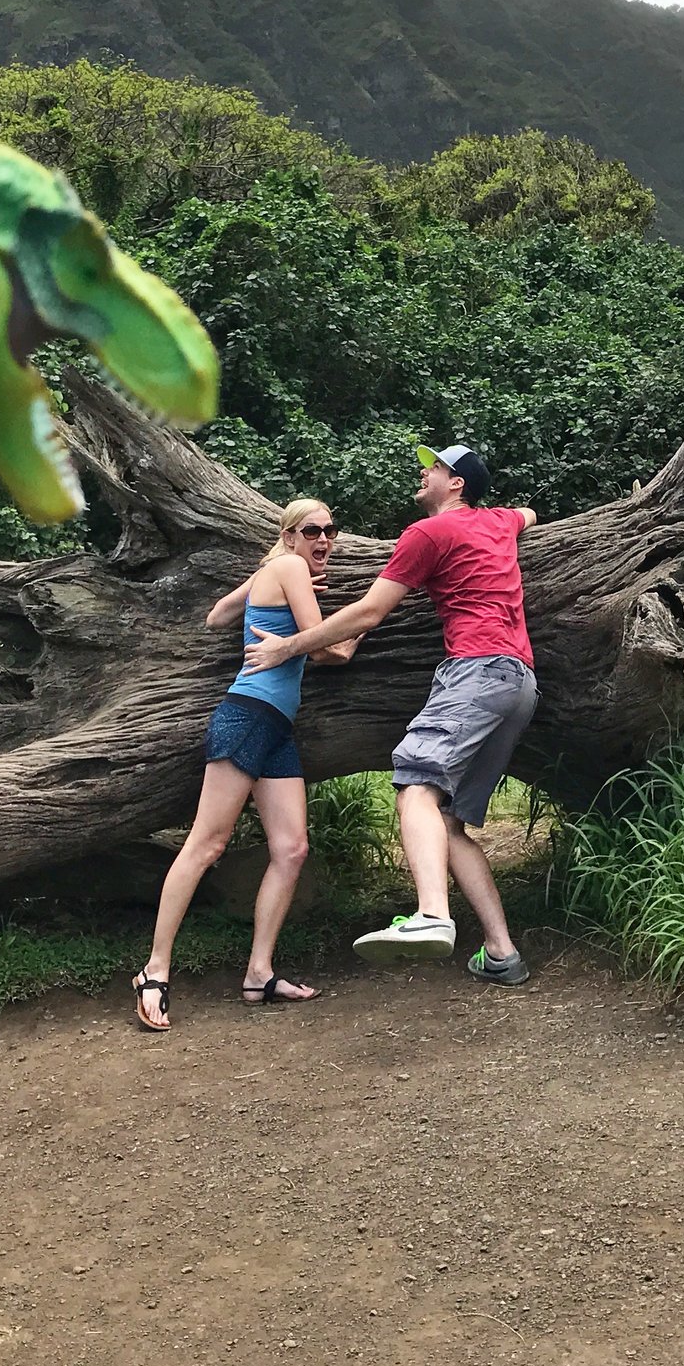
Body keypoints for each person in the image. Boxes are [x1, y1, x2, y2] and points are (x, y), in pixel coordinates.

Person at [243, 442, 536, 985]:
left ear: (456, 485)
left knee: (415, 787)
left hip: (474, 670)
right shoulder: (498, 522)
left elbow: (371, 610)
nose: (425, 472)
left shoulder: (427, 533)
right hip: (519, 682)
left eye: (437, 468)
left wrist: (288, 646)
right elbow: (528, 514)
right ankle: (501, 953)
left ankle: (431, 916)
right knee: (448, 822)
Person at [132, 498, 355, 1032]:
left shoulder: (274, 569)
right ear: (289, 535)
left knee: (292, 848)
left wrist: (273, 599)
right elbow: (332, 653)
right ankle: (154, 972)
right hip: (248, 715)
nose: (323, 540)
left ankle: (259, 971)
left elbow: (217, 616)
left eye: (331, 531)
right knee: (206, 844)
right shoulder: (289, 566)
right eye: (312, 531)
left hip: (275, 726)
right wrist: (364, 620)